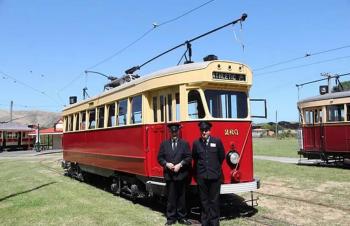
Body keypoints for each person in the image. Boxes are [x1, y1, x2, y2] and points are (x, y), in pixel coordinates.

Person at [158, 123, 192, 226]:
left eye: (176, 131)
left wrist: (180, 165)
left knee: (182, 197)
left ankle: (182, 217)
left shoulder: (184, 143)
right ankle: (171, 218)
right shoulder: (164, 144)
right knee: (171, 198)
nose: (174, 133)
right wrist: (166, 164)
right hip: (169, 175)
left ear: (178, 131)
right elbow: (160, 158)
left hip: (181, 175)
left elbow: (188, 158)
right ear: (169, 132)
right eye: (172, 132)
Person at [192, 121, 225, 226]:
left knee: (214, 200)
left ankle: (214, 222)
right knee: (204, 201)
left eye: (206, 130)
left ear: (209, 131)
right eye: (202, 130)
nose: (204, 132)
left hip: (214, 176)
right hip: (202, 177)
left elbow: (221, 156)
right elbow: (195, 158)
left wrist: (214, 167)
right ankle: (205, 222)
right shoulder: (196, 143)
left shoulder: (217, 141)